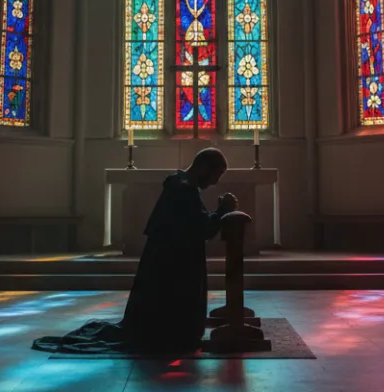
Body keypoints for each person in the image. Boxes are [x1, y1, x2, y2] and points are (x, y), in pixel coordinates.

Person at [32, 147, 237, 354]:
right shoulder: (184, 189)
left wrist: (218, 212)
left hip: (169, 257)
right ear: (203, 167)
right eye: (216, 175)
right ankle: (176, 333)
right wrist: (223, 210)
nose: (215, 182)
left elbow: (194, 223)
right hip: (175, 262)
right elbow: (203, 229)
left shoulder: (181, 185)